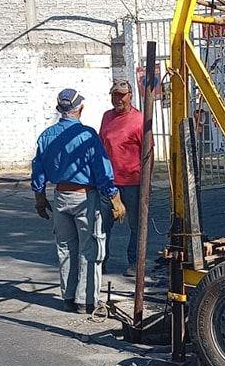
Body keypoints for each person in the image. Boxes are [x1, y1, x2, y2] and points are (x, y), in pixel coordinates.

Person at [31, 88, 126, 314]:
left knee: (65, 248)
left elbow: (38, 172)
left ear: (59, 110)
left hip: (60, 196)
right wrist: (115, 199)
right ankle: (87, 301)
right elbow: (102, 170)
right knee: (89, 249)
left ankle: (69, 297)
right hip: (85, 197)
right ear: (80, 109)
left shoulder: (46, 136)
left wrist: (40, 199)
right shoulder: (87, 135)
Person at [99, 78, 146, 277]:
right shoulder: (106, 117)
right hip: (108, 182)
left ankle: (134, 263)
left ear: (130, 97)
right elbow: (101, 147)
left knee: (136, 226)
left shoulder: (140, 119)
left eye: (121, 96)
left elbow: (147, 153)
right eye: (114, 95)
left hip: (133, 183)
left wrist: (147, 183)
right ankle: (100, 262)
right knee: (102, 226)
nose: (118, 99)